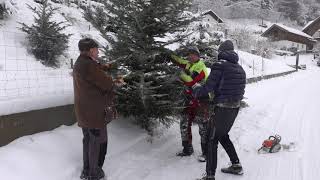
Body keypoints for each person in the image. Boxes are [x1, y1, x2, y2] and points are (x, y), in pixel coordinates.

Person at [193, 40, 246, 180]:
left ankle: (210, 176)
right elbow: (240, 91)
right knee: (222, 136)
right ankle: (236, 165)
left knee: (212, 140)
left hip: (222, 109)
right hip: (234, 109)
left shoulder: (219, 65)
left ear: (221, 52)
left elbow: (208, 87)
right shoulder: (240, 69)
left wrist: (196, 89)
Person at [73, 38, 123, 180]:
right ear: (90, 51)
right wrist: (118, 82)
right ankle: (94, 173)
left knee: (88, 140)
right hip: (94, 112)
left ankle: (87, 170)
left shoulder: (81, 62)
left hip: (84, 111)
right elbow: (107, 84)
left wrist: (105, 67)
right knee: (98, 142)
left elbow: (94, 74)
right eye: (96, 49)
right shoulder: (89, 65)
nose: (98, 51)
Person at [170, 46, 209, 161]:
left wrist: (179, 74)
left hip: (201, 100)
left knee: (203, 127)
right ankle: (187, 149)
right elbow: (179, 61)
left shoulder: (201, 67)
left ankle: (206, 153)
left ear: (198, 56)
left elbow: (190, 81)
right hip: (189, 99)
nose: (190, 56)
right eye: (189, 54)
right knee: (184, 123)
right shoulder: (188, 64)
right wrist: (169, 54)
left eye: (193, 54)